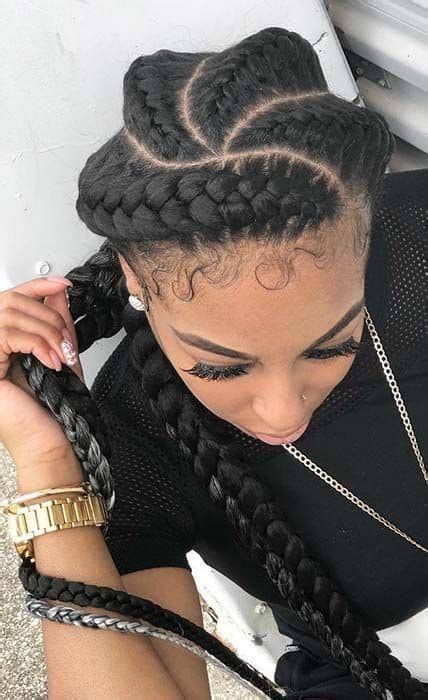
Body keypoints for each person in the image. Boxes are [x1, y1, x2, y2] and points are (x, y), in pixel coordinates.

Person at [1, 26, 426, 699]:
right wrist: (48, 465)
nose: (282, 413)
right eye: (222, 368)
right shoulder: (140, 427)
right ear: (133, 280)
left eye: (330, 346)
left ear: (367, 234)